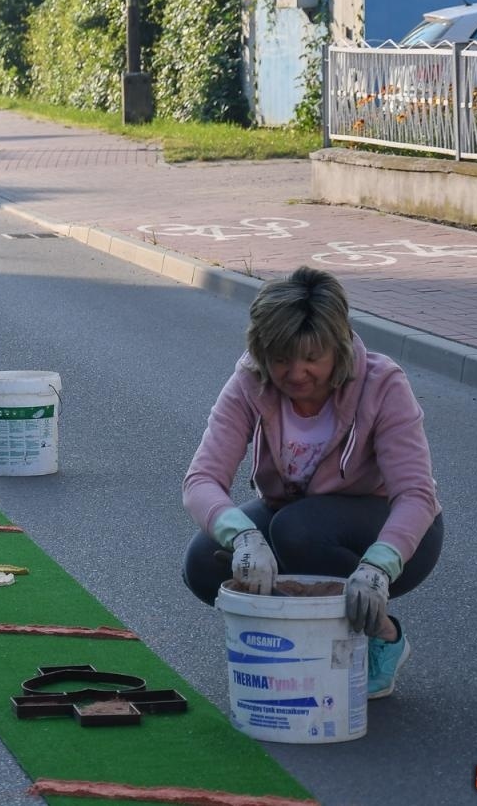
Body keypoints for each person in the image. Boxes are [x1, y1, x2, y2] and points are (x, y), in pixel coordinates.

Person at [181, 266, 442, 700]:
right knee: (205, 562)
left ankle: (382, 634)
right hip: (297, 515)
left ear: (337, 350)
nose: (296, 373)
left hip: (391, 532)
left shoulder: (383, 383)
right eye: (281, 357)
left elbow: (415, 494)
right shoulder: (251, 380)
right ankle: (299, 646)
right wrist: (243, 537)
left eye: (311, 358)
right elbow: (201, 479)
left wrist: (379, 566)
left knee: (297, 529)